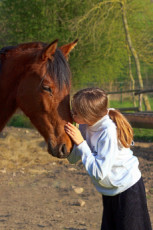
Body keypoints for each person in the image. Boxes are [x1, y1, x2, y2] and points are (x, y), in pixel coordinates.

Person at [64, 87, 152, 230]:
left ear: (88, 115)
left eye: (75, 112)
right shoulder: (85, 126)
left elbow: (99, 172)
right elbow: (73, 159)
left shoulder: (108, 131)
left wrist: (81, 143)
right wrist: (69, 141)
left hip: (128, 188)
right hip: (110, 189)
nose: (71, 114)